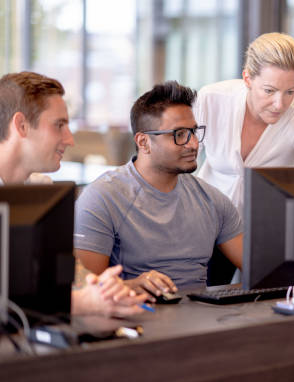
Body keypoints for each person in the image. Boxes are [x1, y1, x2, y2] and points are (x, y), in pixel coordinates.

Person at [0, 71, 147, 317]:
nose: (69, 140)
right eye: (59, 125)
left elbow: (73, 276)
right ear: (21, 125)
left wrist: (107, 289)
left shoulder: (42, 190)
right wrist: (81, 303)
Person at [74, 81, 243, 294]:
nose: (193, 144)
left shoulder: (212, 199)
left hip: (203, 320)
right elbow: (83, 291)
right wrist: (132, 286)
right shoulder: (102, 198)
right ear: (143, 142)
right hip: (138, 318)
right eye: (179, 134)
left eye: (193, 131)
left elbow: (263, 272)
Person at [193, 32, 294, 214]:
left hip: (268, 227)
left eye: (290, 92)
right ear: (247, 79)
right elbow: (179, 162)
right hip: (207, 220)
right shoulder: (211, 99)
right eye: (269, 91)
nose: (279, 104)